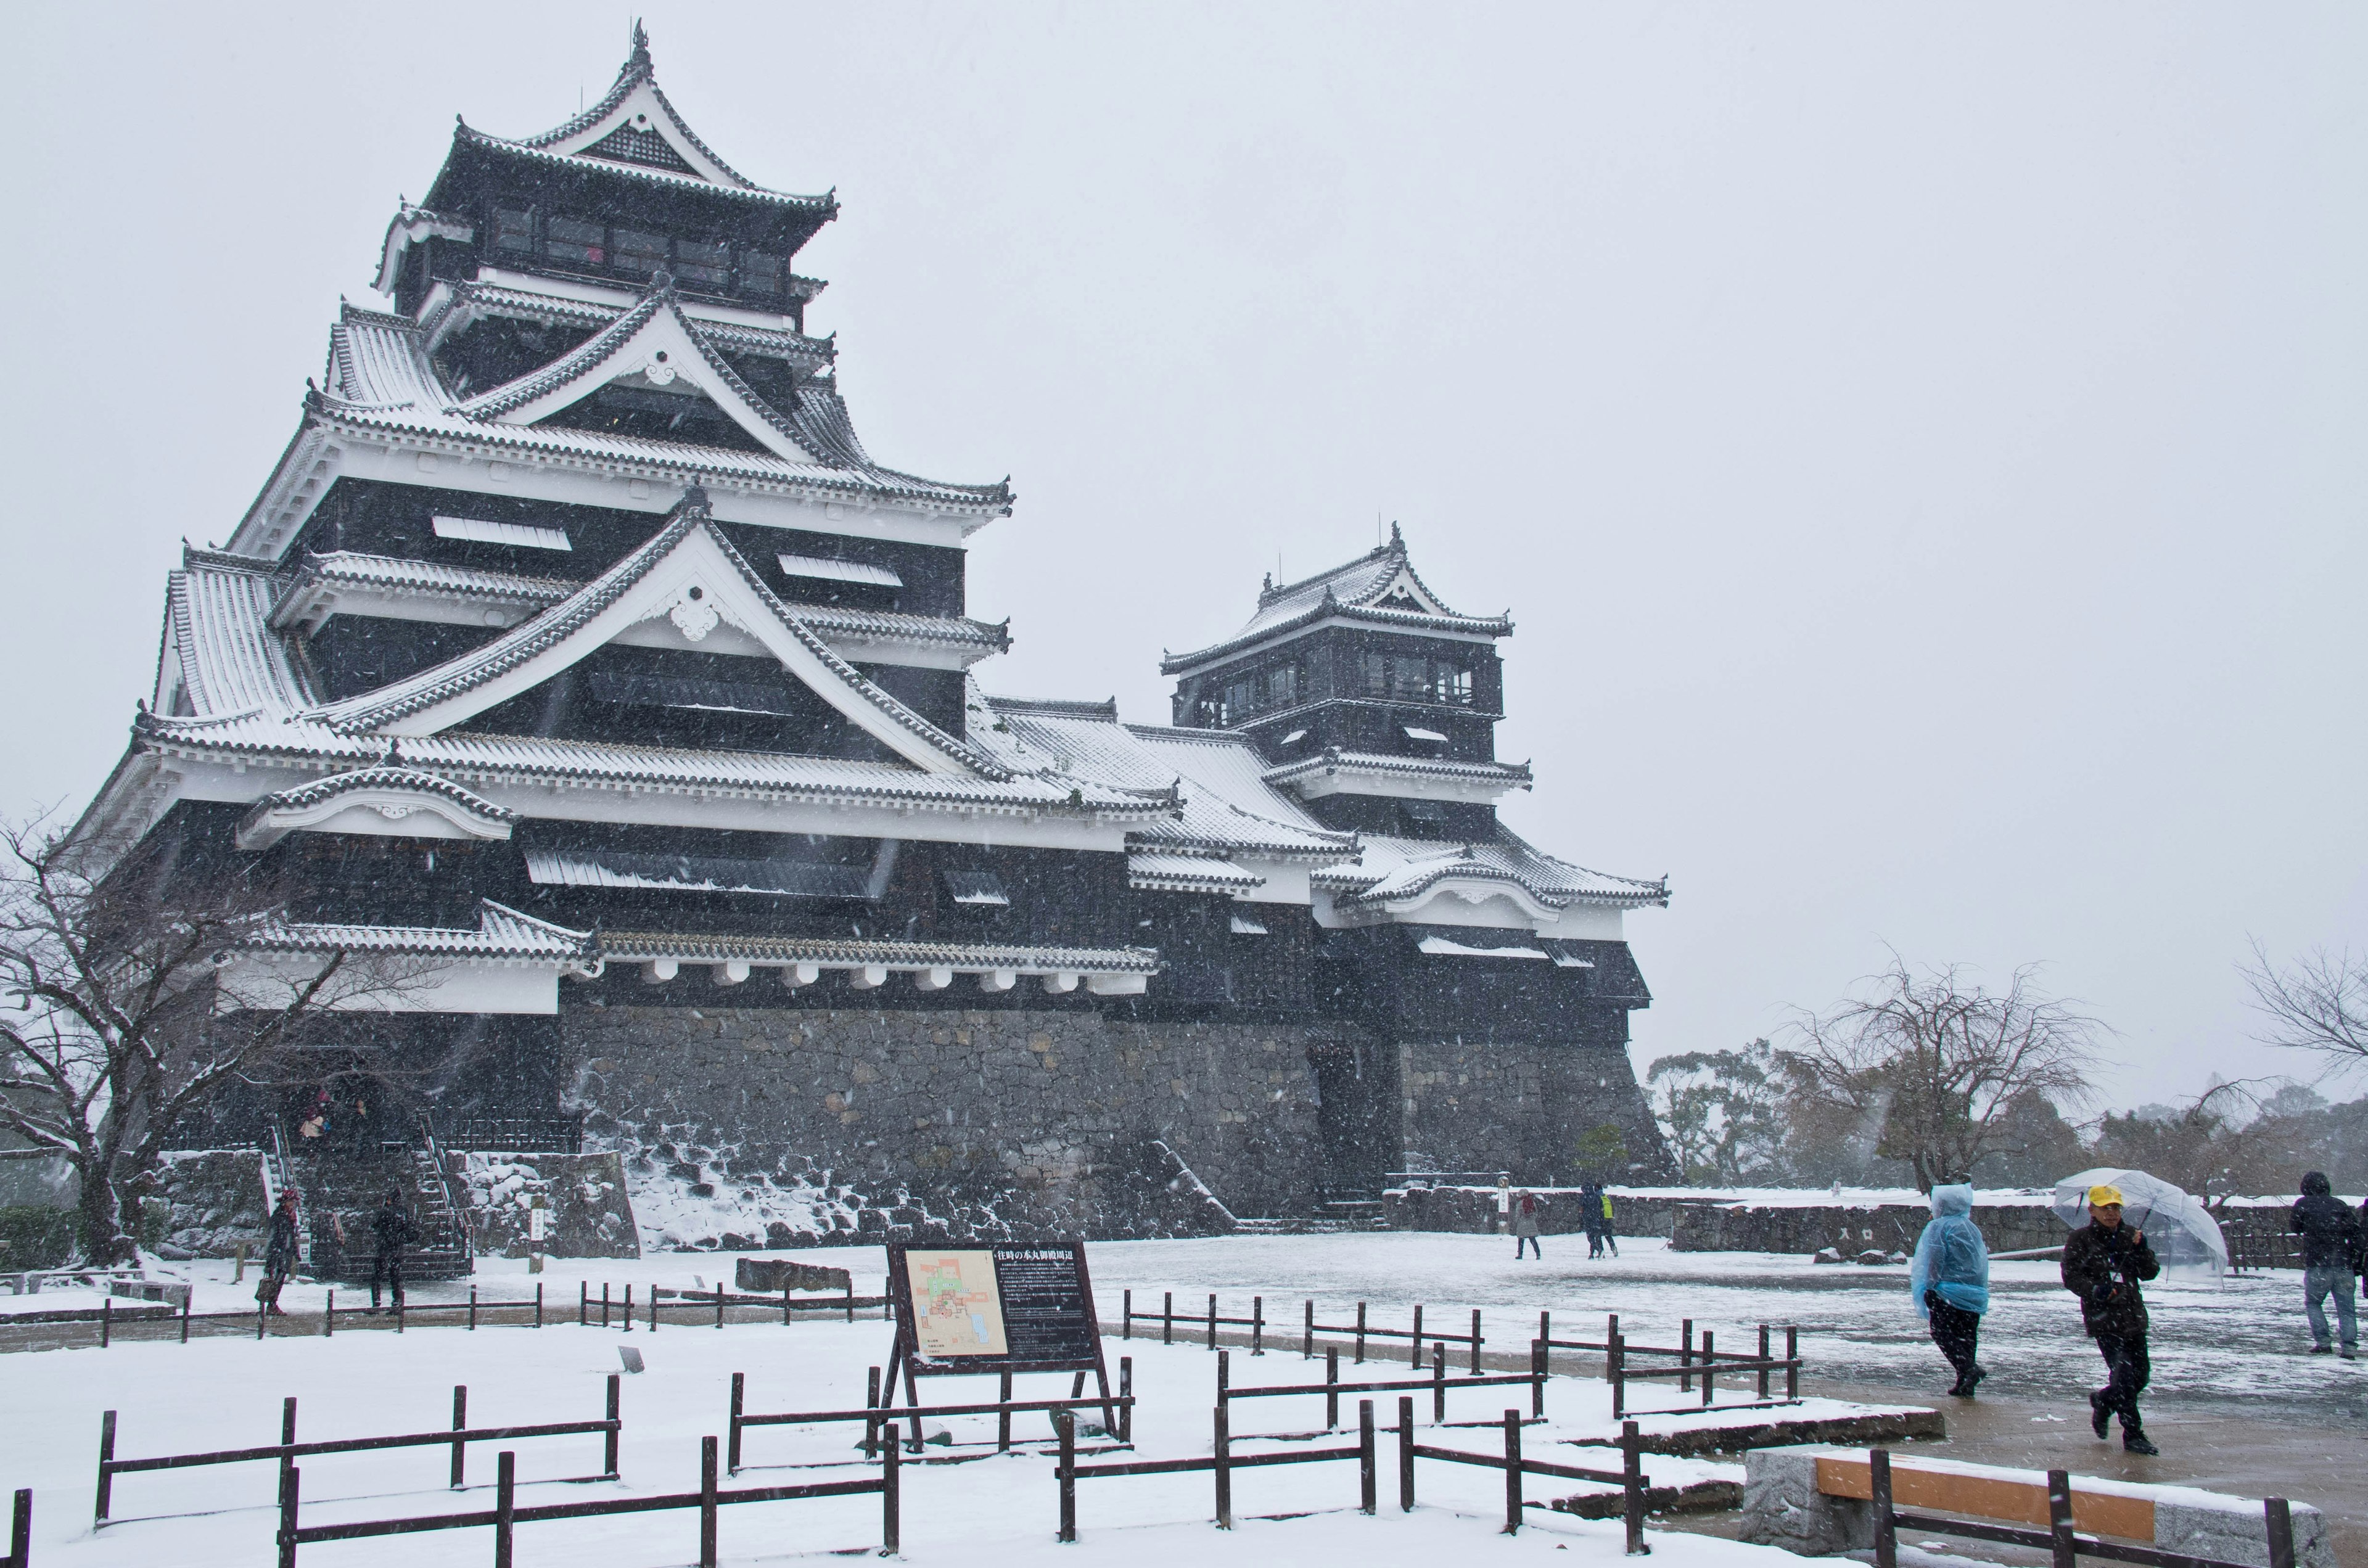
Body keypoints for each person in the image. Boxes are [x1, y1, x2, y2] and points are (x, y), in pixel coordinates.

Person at [2060, 1183, 2161, 1455]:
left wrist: (2142, 1249)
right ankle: (2134, 1433)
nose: (2112, 1213)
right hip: (2105, 1320)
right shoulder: (2080, 1240)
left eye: (2116, 1207)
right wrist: (2096, 1290)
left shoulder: (2131, 1235)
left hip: (2134, 1317)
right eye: (2106, 1208)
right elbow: (2071, 1277)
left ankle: (2103, 1401)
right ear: (2092, 1209)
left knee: (2141, 1377)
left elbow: (2149, 1272)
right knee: (2125, 1378)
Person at [1909, 1182, 1990, 1396]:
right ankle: (1965, 1381)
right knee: (1967, 1335)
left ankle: (1968, 1370)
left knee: (1941, 1332)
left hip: (1948, 1292)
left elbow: (1935, 1259)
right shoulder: (1970, 1227)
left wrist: (1930, 1287)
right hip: (1973, 1292)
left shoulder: (1939, 1227)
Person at [2290, 1171, 2361, 1358]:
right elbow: (2354, 1230)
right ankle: (2349, 1348)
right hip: (2343, 1264)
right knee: (2347, 1309)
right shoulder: (2340, 1205)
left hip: (2317, 1264)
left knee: (2314, 1303)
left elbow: (2295, 1227)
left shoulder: (2303, 1205)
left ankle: (2323, 1342)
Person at [368, 1188, 418, 1311]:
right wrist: (401, 1238)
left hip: (383, 1249)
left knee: (376, 1277)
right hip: (397, 1250)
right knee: (395, 1277)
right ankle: (396, 1303)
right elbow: (411, 1230)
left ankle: (376, 1303)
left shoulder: (384, 1212)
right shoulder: (404, 1212)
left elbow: (374, 1224)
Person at [256, 1189, 300, 1316]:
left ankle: (272, 1303)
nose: (292, 1204)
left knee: (280, 1279)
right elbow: (274, 1236)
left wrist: (294, 1252)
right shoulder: (278, 1217)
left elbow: (290, 1237)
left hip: (285, 1252)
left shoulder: (289, 1216)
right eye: (291, 1201)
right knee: (275, 1279)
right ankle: (271, 1304)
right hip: (277, 1252)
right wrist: (273, 1252)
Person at [1511, 1189, 1544, 1259]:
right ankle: (1538, 1254)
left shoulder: (1520, 1204)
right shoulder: (1532, 1202)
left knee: (1521, 1240)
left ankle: (1520, 1254)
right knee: (1532, 1239)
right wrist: (1532, 1219)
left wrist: (1517, 1221)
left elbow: (1518, 1215)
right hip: (1532, 1223)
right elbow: (1536, 1213)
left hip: (1522, 1224)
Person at [1579, 1180, 1606, 1260]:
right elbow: (1602, 1208)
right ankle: (1594, 1253)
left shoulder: (1584, 1197)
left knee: (1590, 1237)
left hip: (1588, 1219)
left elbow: (1581, 1209)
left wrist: (1582, 1217)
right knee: (1598, 1236)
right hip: (1597, 1218)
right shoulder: (1597, 1196)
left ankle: (1598, 1250)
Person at [1598, 1188, 1619, 1257]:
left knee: (1598, 1236)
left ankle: (1601, 1251)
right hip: (1608, 1218)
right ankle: (1613, 1247)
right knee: (1608, 1236)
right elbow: (1613, 1207)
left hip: (1601, 1219)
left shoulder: (1597, 1197)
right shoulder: (1607, 1197)